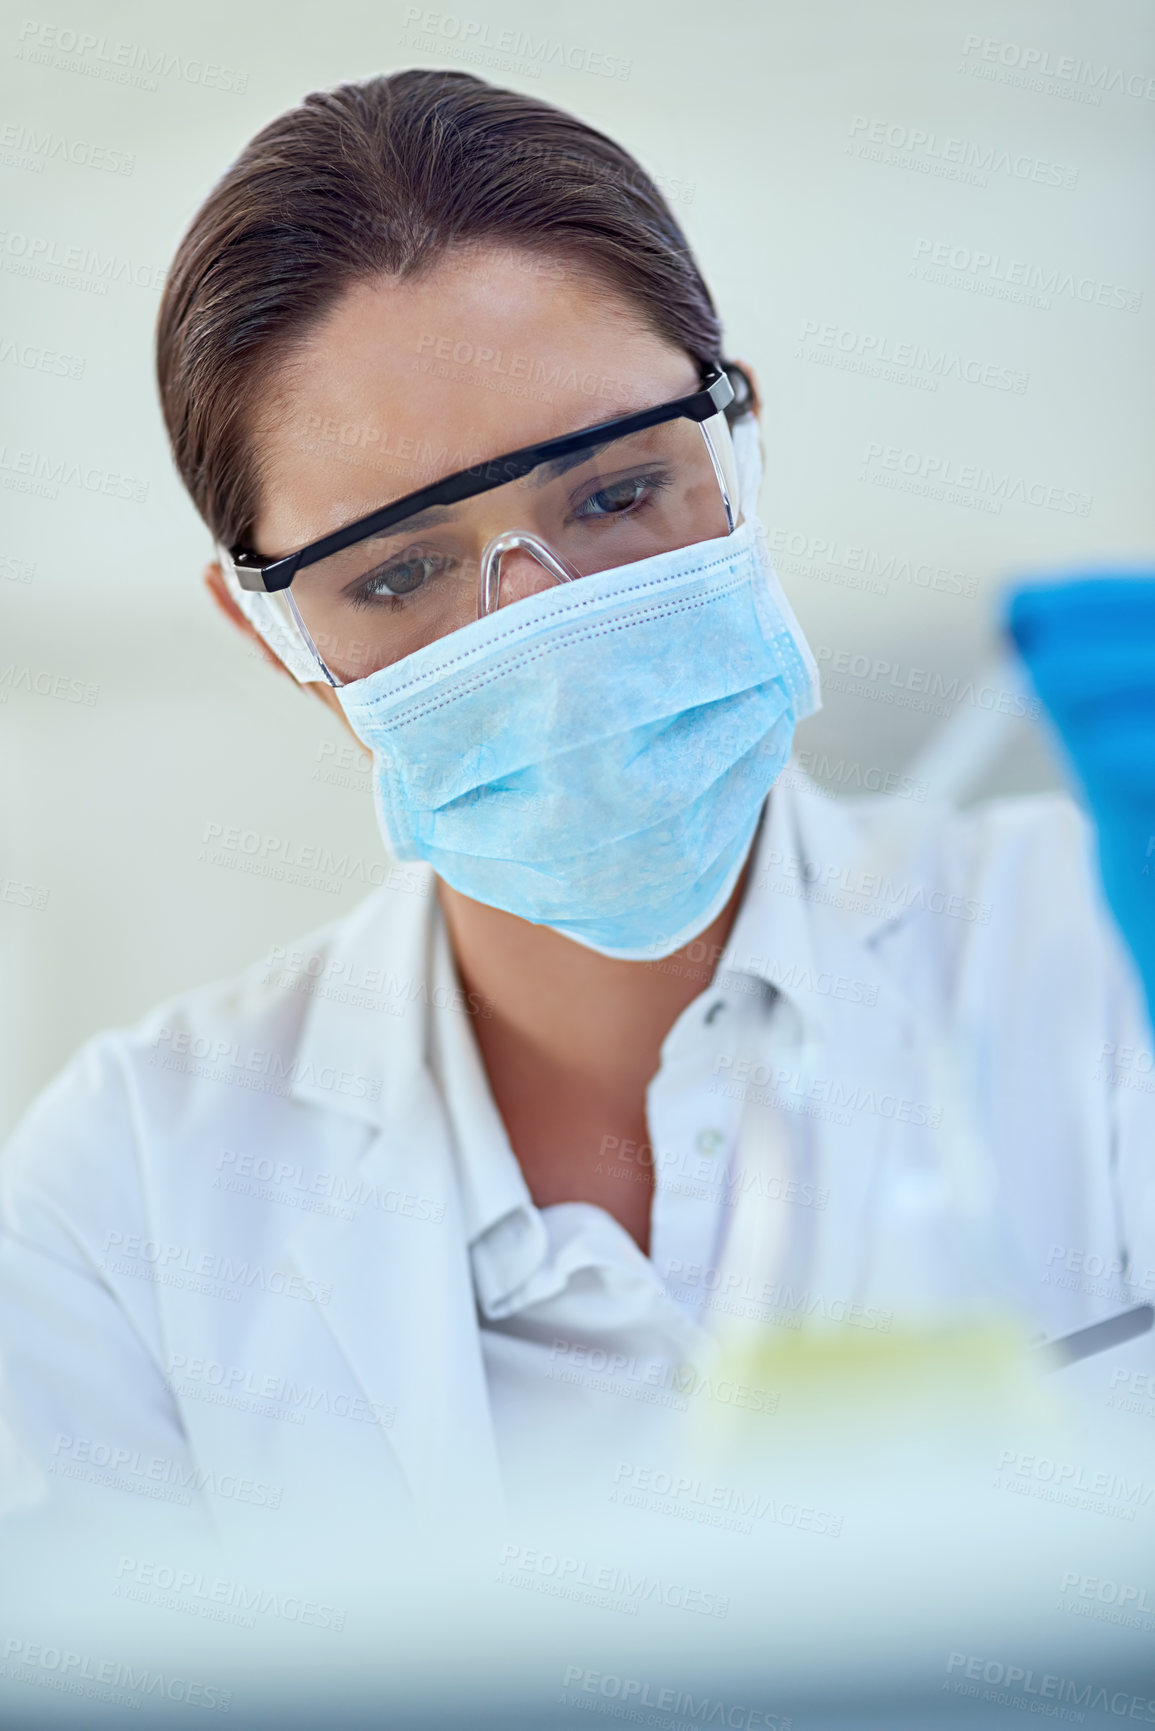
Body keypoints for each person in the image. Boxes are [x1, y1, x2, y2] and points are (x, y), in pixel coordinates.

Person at [1, 69, 1152, 1544]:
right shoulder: (130, 1203)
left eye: (615, 495)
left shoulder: (1109, 957)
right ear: (277, 645)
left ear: (733, 458)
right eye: (401, 572)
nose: (547, 637)